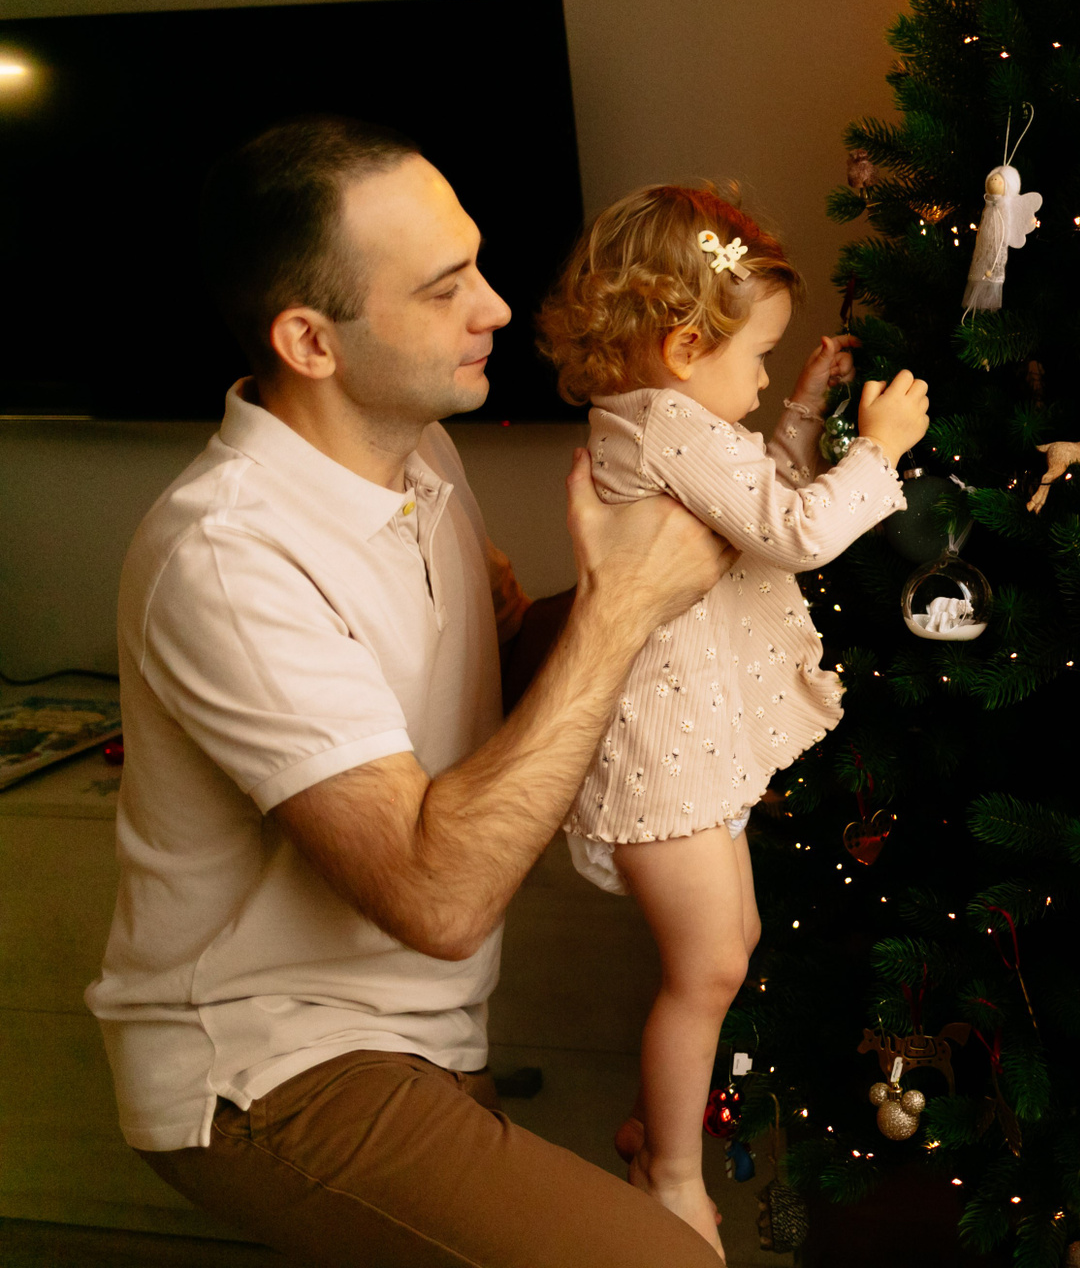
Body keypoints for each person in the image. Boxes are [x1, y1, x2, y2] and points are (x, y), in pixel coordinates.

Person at [84, 116, 736, 1267]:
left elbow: (500, 684)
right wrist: (623, 605)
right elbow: (440, 899)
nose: (496, 307)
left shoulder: (418, 454)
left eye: (476, 264)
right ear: (310, 340)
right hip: (268, 1063)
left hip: (419, 1030)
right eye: (445, 289)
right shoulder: (228, 556)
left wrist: (666, 578)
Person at [535, 185, 930, 1259]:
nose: (760, 379)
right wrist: (879, 447)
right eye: (758, 357)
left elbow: (754, 491)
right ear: (683, 347)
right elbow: (792, 529)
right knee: (707, 967)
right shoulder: (666, 423)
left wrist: (797, 409)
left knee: (728, 948)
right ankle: (667, 1171)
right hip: (663, 743)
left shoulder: (664, 416)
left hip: (689, 727)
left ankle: (647, 1121)